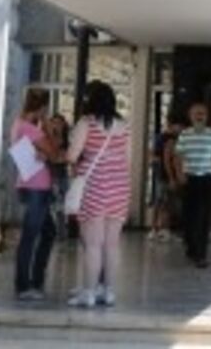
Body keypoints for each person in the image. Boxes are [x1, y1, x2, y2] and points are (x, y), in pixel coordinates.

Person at [66, 80, 131, 308]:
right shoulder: (124, 125)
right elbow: (128, 159)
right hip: (119, 186)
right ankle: (108, 291)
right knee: (112, 245)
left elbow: (72, 156)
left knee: (93, 244)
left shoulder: (87, 123)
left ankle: (89, 292)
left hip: (94, 184)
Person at [12, 88, 62, 300]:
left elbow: (46, 154)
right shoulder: (32, 130)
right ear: (42, 107)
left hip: (29, 184)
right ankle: (25, 285)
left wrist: (45, 152)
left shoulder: (19, 124)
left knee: (48, 231)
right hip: (37, 187)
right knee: (30, 235)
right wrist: (51, 130)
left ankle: (35, 280)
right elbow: (55, 153)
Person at [174, 102, 211, 268]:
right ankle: (191, 246)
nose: (199, 116)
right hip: (189, 179)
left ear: (207, 116)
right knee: (190, 216)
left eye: (202, 113)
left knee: (205, 217)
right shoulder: (184, 135)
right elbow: (178, 157)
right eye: (196, 113)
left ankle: (201, 254)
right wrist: (180, 175)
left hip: (207, 178)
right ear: (190, 116)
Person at [147, 116, 179, 242]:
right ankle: (163, 230)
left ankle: (155, 229)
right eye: (178, 126)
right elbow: (165, 159)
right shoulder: (169, 139)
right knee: (165, 203)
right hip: (165, 175)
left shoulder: (159, 138)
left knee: (160, 202)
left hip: (160, 174)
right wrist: (172, 177)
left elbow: (153, 156)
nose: (180, 129)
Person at [45, 113, 71, 240]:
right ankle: (52, 231)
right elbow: (54, 158)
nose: (56, 125)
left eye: (59, 122)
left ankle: (61, 232)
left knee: (62, 205)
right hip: (50, 176)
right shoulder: (46, 138)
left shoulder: (67, 140)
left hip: (62, 175)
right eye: (53, 122)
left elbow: (64, 158)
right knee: (52, 205)